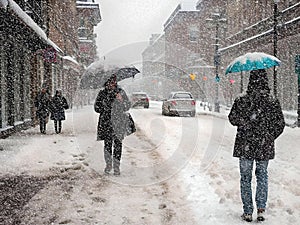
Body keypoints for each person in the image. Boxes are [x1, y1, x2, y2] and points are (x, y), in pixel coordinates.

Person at [228, 69, 285, 222]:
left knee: (245, 178)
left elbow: (232, 118)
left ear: (250, 80)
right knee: (262, 176)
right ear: (266, 81)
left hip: (245, 144)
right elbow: (280, 124)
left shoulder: (242, 99)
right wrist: (269, 136)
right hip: (263, 146)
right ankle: (261, 209)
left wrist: (244, 122)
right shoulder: (272, 101)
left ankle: (247, 211)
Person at [94, 75, 131, 175]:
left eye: (113, 81)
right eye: (110, 82)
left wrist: (121, 101)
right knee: (107, 146)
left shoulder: (120, 92)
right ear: (106, 83)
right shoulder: (102, 93)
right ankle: (108, 165)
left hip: (118, 122)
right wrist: (104, 105)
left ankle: (116, 167)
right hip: (106, 123)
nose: (112, 83)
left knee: (118, 146)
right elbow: (96, 108)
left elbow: (127, 106)